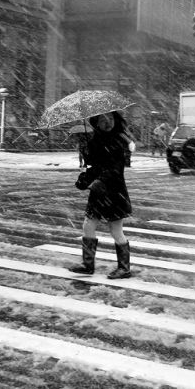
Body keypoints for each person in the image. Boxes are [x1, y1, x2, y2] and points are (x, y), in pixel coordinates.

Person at [69, 111, 134, 279]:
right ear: (96, 122)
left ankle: (124, 268)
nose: (108, 122)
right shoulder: (95, 141)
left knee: (115, 230)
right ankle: (87, 265)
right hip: (98, 193)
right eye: (103, 119)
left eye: (111, 118)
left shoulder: (118, 141)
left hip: (114, 192)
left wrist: (99, 181)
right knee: (88, 225)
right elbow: (95, 166)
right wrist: (84, 178)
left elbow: (114, 169)